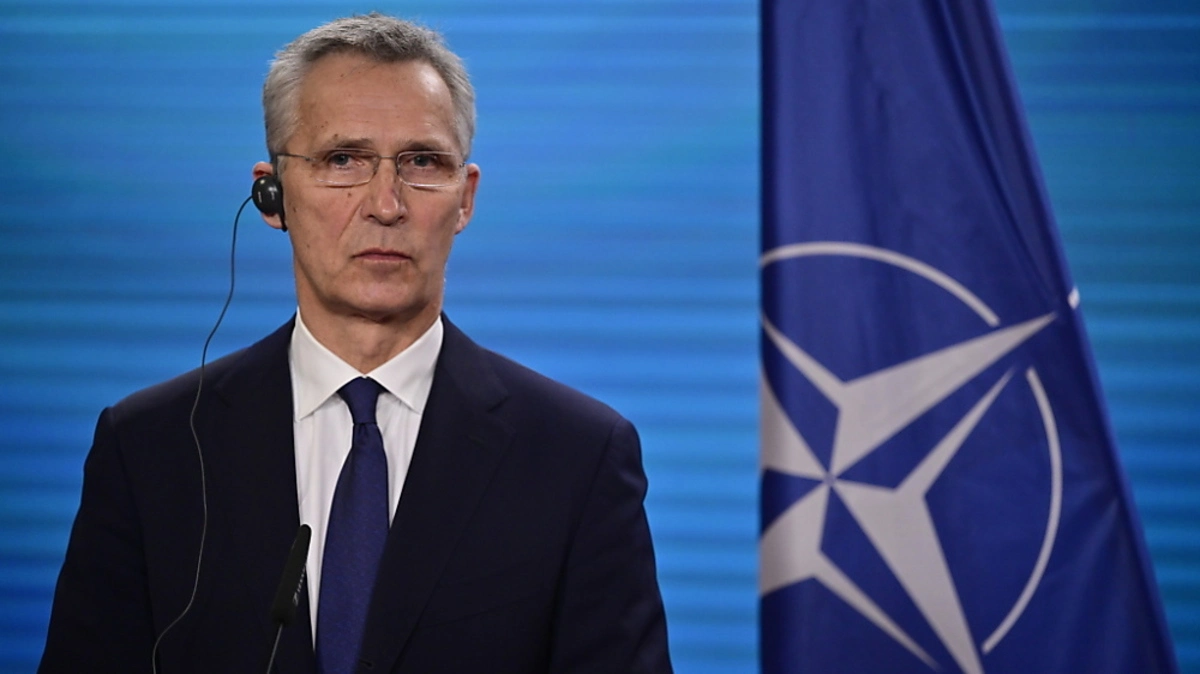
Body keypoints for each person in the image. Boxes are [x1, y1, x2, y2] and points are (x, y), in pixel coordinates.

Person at [39, 13, 672, 674]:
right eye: (343, 160)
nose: (385, 205)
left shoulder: (577, 457)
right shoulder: (150, 448)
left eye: (422, 162)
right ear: (272, 195)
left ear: (464, 199)